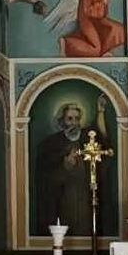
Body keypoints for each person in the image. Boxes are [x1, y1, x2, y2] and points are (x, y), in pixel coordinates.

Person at [34, 101, 97, 236]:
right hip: (63, 200)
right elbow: (45, 180)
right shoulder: (50, 145)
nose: (74, 123)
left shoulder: (88, 141)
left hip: (84, 198)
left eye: (77, 119)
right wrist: (65, 167)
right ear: (62, 121)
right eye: (69, 119)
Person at [60, 0, 126, 57]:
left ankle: (103, 51)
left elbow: (103, 14)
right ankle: (67, 43)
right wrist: (103, 2)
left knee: (120, 29)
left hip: (98, 21)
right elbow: (88, 11)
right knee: (94, 51)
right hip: (87, 22)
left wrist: (105, 3)